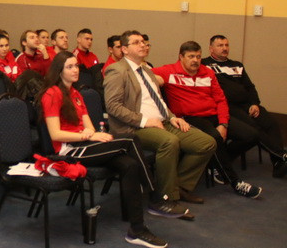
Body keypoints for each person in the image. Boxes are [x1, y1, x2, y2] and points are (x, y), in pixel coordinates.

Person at [39, 51, 166, 248]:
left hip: (86, 145)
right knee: (130, 140)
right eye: (69, 67)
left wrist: (92, 135)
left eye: (76, 66)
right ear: (59, 71)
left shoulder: (76, 94)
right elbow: (55, 134)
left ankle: (137, 230)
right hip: (69, 151)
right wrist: (87, 136)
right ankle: (155, 197)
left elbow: (89, 126)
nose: (75, 70)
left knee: (129, 165)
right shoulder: (52, 94)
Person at [104, 31, 215, 219]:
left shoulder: (147, 70)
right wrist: (145, 121)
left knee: (206, 143)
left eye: (143, 42)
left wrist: (172, 117)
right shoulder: (117, 70)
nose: (142, 45)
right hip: (134, 128)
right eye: (136, 42)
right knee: (169, 142)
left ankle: (179, 187)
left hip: (162, 121)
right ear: (124, 49)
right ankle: (163, 200)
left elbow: (158, 101)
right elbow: (113, 106)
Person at [153, 41, 262, 198]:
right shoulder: (168, 71)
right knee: (215, 138)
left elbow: (221, 100)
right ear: (181, 57)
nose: (195, 60)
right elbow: (141, 73)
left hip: (214, 115)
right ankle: (235, 182)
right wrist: (156, 79)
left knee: (252, 135)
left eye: (198, 56)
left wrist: (223, 123)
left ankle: (217, 163)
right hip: (190, 118)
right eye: (191, 56)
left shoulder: (208, 72)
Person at [203, 34, 287, 177]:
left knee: (271, 123)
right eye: (220, 45)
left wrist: (254, 103)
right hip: (227, 106)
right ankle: (282, 155)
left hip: (247, 104)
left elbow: (249, 87)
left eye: (226, 45)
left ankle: (278, 163)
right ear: (211, 49)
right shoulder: (205, 65)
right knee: (254, 128)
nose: (224, 48)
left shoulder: (237, 65)